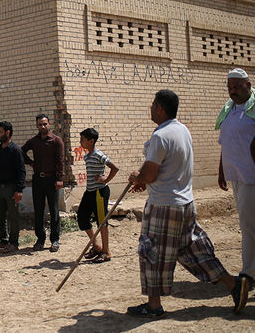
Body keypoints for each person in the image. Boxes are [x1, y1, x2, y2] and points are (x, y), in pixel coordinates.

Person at [127, 89, 242, 318]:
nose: (150, 108)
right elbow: (167, 167)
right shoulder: (182, 130)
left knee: (151, 252)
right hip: (185, 203)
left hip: (163, 206)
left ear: (160, 108)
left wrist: (137, 178)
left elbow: (150, 173)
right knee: (194, 250)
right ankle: (234, 285)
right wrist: (145, 179)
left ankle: (153, 306)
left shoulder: (161, 135)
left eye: (152, 105)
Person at [216, 67, 255, 312]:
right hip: (236, 177)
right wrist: (221, 171)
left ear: (248, 85)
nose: (231, 90)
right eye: (229, 86)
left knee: (249, 226)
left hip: (252, 177)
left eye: (236, 86)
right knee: (247, 224)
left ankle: (248, 273)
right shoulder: (229, 110)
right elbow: (225, 142)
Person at [21, 114, 65, 253]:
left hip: (52, 180)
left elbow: (61, 161)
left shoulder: (56, 141)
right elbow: (21, 151)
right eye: (40, 124)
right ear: (37, 126)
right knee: (39, 210)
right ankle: (40, 239)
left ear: (49, 124)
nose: (43, 126)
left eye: (45, 124)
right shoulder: (34, 141)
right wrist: (31, 163)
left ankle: (55, 240)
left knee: (54, 210)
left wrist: (60, 179)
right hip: (38, 180)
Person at [77, 128, 118, 263]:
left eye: (83, 139)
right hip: (89, 192)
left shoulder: (98, 155)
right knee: (82, 217)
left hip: (100, 193)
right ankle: (96, 246)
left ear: (91, 141)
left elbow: (114, 168)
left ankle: (106, 252)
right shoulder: (87, 156)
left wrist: (105, 180)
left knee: (102, 221)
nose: (80, 142)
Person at [0, 121, 26, 253]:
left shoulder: (16, 150)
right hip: (1, 188)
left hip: (12, 188)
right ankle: (4, 241)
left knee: (13, 216)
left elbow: (21, 171)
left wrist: (19, 190)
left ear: (7, 133)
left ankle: (13, 243)